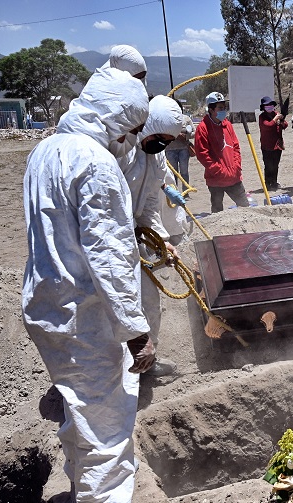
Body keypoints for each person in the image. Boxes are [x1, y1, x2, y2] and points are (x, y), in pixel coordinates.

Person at [21, 66, 153, 502]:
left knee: (79, 413)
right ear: (115, 120)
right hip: (86, 318)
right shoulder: (95, 163)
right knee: (107, 431)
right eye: (130, 130)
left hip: (49, 308)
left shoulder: (45, 150)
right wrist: (136, 332)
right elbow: (109, 256)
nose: (130, 140)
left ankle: (80, 488)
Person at [118, 95, 186, 378]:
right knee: (118, 302)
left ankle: (147, 361)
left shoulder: (156, 156)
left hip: (136, 235)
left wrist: (161, 240)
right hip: (113, 238)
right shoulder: (122, 153)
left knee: (149, 302)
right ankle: (118, 371)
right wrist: (125, 231)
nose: (162, 145)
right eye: (159, 138)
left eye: (168, 141)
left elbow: (148, 202)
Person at [195, 91, 249, 212]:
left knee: (245, 206)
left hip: (234, 176)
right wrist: (219, 171)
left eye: (224, 107)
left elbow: (236, 147)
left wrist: (237, 166)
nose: (223, 110)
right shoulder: (203, 128)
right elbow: (203, 155)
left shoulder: (227, 124)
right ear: (211, 109)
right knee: (217, 210)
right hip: (216, 179)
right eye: (220, 108)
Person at [258, 96, 288, 191]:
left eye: (270, 105)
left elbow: (285, 125)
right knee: (268, 165)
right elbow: (268, 125)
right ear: (263, 107)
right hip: (267, 145)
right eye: (267, 105)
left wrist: (281, 121)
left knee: (275, 164)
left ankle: (274, 182)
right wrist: (276, 119)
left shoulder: (276, 114)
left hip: (277, 145)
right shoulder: (262, 117)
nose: (269, 107)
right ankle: (267, 183)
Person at [164, 100, 194, 192]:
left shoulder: (186, 119)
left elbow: (194, 132)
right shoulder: (166, 119)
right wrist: (174, 135)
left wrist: (186, 136)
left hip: (183, 149)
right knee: (173, 173)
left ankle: (186, 192)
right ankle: (175, 192)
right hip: (170, 149)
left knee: (184, 172)